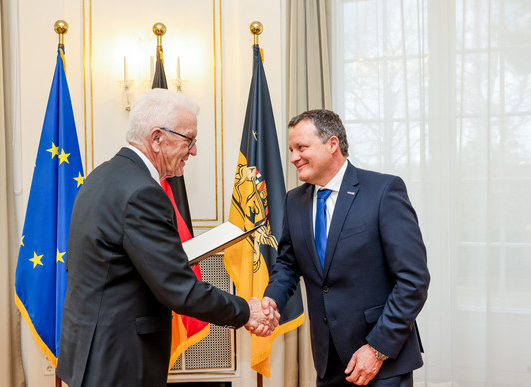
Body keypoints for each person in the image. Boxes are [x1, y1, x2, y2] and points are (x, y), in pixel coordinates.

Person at [56, 88, 278, 387]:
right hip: (120, 359)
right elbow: (178, 289)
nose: (194, 150)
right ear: (157, 138)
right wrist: (246, 311)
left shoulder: (101, 176)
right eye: (189, 139)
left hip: (90, 349)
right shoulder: (142, 192)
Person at [258, 109, 430, 386]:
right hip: (329, 362)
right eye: (291, 149)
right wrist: (272, 299)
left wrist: (377, 349)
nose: (293, 158)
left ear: (332, 144)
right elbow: (288, 264)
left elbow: (413, 281)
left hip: (383, 361)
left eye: (301, 147)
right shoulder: (294, 201)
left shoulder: (383, 191)